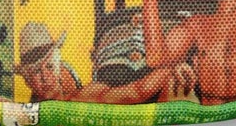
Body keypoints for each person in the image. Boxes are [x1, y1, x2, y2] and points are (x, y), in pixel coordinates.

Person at [15, 20, 198, 105]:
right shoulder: (21, 111)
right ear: (27, 80)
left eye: (49, 67)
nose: (45, 77)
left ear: (58, 67)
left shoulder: (84, 96)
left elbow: (136, 91)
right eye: (36, 72)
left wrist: (171, 69)